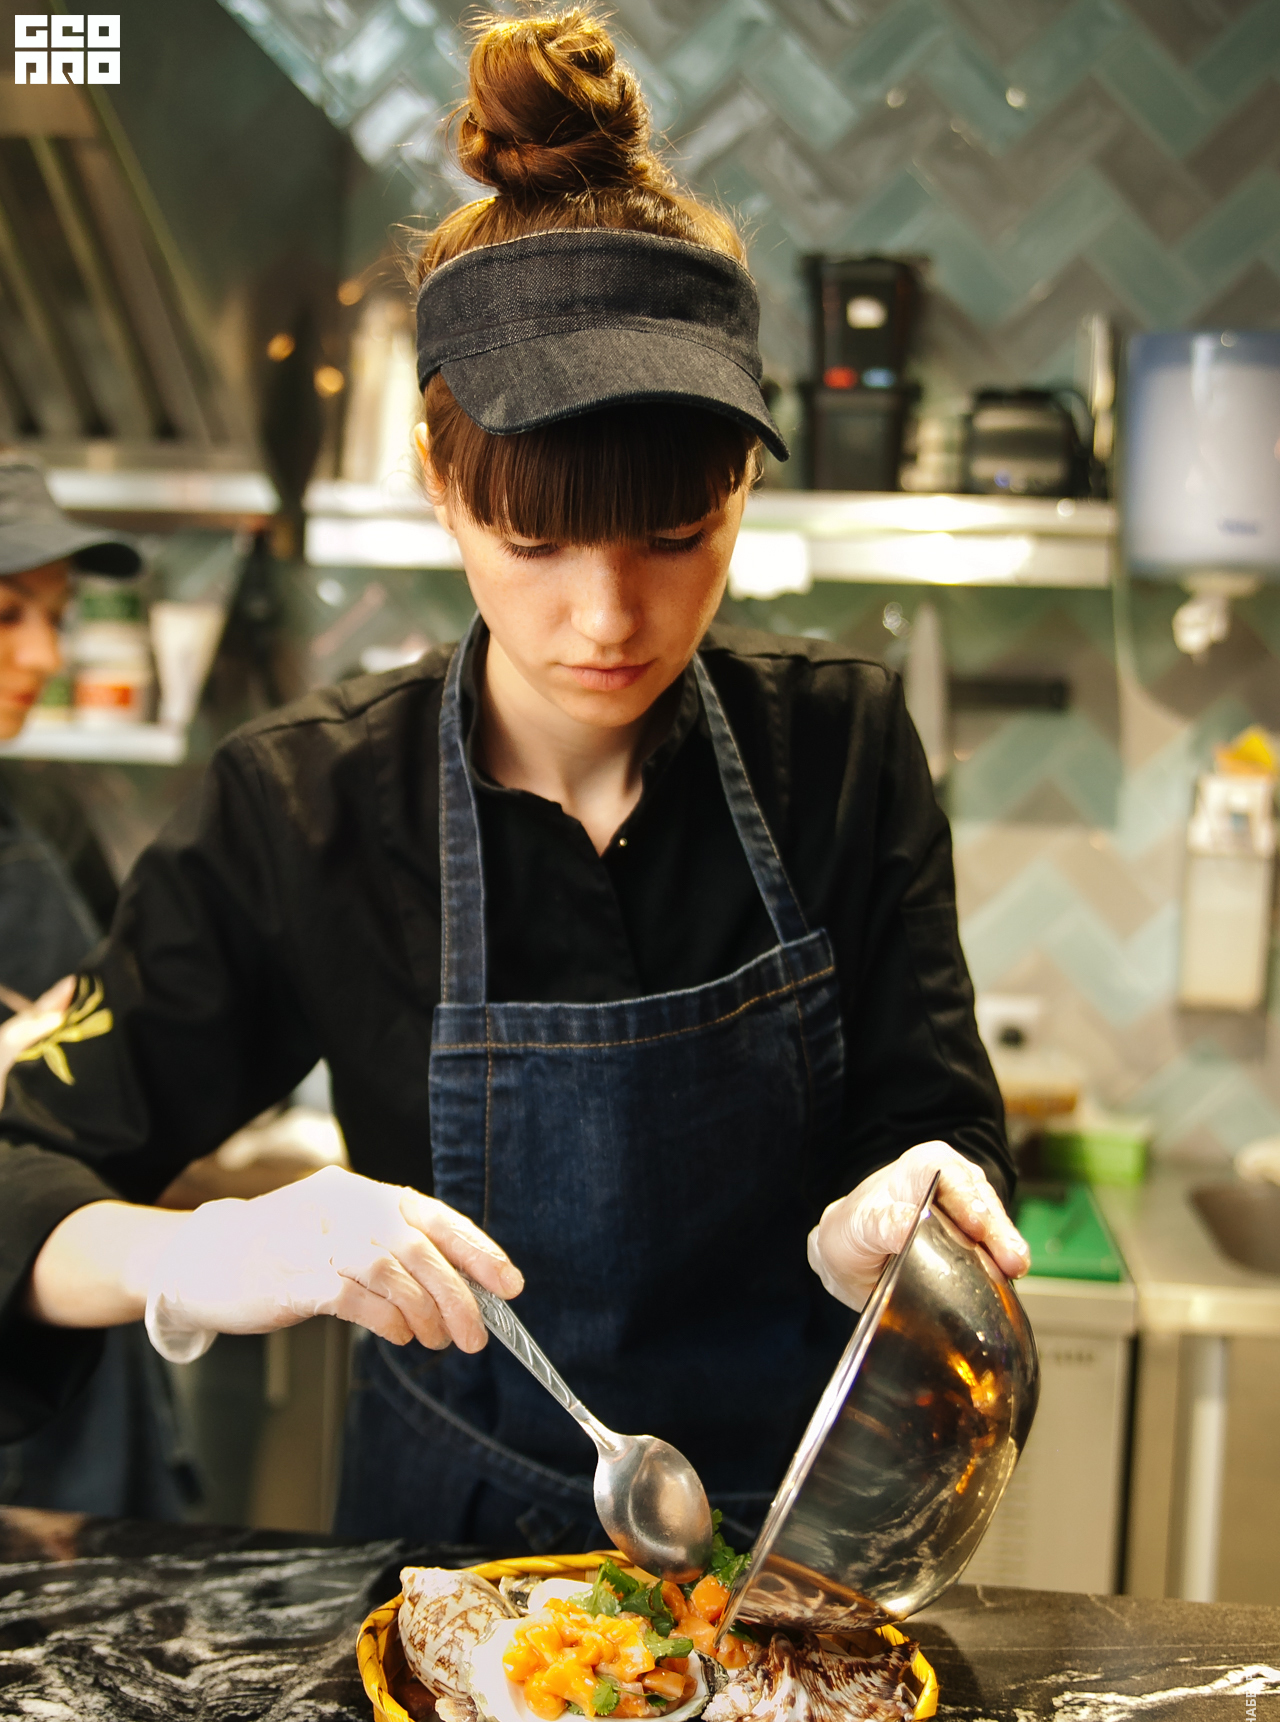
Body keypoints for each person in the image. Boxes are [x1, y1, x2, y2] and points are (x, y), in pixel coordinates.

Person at [0, 10, 1027, 1555]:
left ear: (744, 484)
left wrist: (900, 1223)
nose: (608, 618)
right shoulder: (305, 807)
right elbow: (22, 1165)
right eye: (535, 541)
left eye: (675, 536)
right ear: (440, 482)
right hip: (446, 1571)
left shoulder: (843, 750)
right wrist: (199, 1255)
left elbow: (937, 1122)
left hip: (792, 1560)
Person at [0, 462, 192, 1516]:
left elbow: (121, 1014)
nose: (43, 654)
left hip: (83, 1320)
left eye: (55, 617)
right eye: (7, 615)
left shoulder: (44, 816)